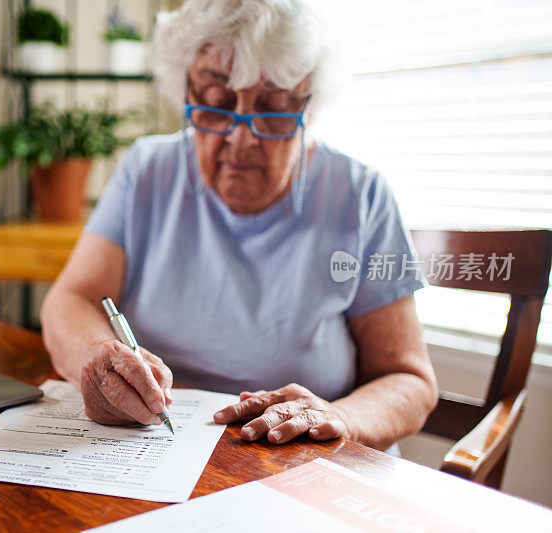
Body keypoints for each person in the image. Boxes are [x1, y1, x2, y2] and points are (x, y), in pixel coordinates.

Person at [40, 0, 437, 452]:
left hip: (300, 467)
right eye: (216, 104)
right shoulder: (147, 171)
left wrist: (339, 415)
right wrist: (97, 357)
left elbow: (409, 379)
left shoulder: (360, 194)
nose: (241, 137)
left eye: (272, 110)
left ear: (308, 107)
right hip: (152, 452)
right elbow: (70, 300)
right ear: (186, 95)